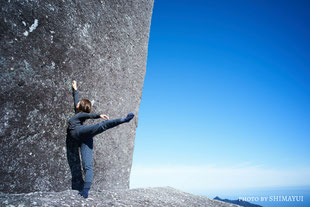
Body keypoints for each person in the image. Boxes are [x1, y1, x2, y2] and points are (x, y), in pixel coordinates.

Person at [67, 80, 134, 198]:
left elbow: (88, 115)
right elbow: (77, 102)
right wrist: (75, 89)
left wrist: (98, 115)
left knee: (101, 126)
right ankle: (86, 188)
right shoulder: (78, 113)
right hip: (84, 137)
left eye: (79, 103)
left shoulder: (80, 114)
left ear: (81, 106)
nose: (77, 103)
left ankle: (123, 120)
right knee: (87, 165)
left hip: (80, 133)